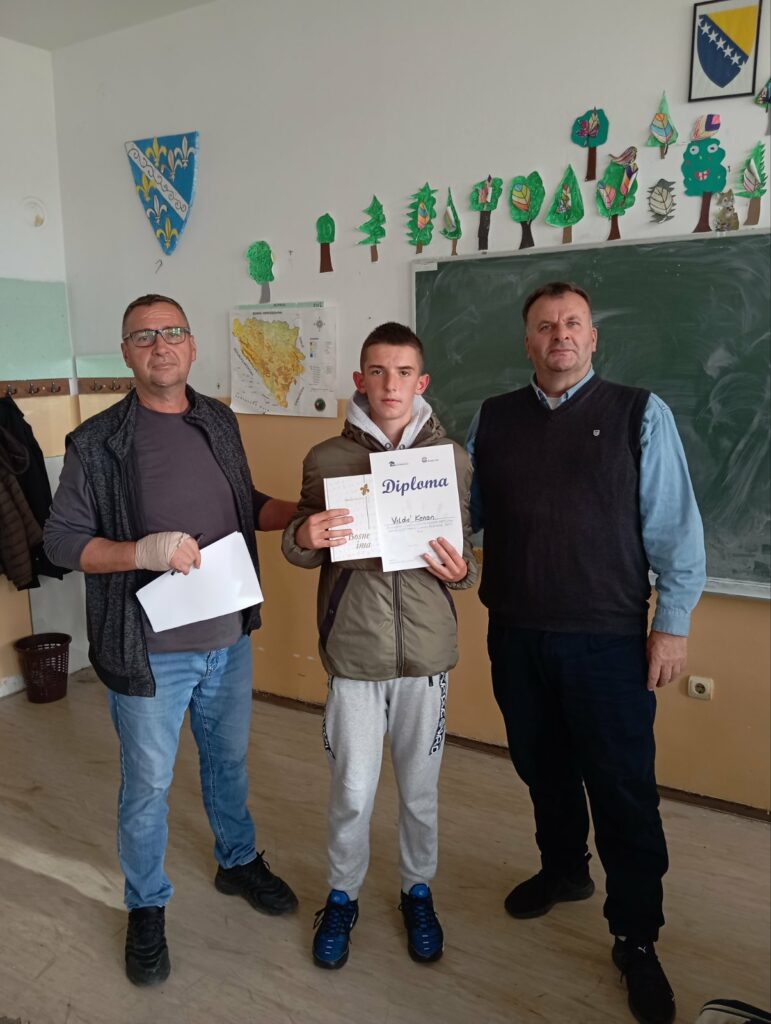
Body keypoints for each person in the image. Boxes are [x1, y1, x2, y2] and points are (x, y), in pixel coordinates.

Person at [467, 282, 706, 1024]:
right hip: (515, 633)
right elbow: (462, 515)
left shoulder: (639, 413)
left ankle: (636, 936)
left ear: (593, 337)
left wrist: (671, 625)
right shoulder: (493, 418)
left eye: (572, 323)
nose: (559, 335)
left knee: (622, 790)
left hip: (607, 641)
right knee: (542, 768)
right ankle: (564, 870)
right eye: (545, 326)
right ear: (528, 340)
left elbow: (675, 529)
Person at [43, 294, 298, 986]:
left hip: (228, 637)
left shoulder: (218, 419)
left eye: (173, 332)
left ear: (192, 346)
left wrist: (304, 513)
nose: (161, 345)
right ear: (126, 353)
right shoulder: (97, 442)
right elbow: (60, 542)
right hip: (149, 653)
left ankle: (236, 861)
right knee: (148, 786)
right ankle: (147, 904)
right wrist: (140, 551)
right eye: (144, 336)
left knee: (227, 763)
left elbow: (245, 504)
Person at [282, 322, 477, 969]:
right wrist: (303, 535)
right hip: (354, 657)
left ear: (421, 382)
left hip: (425, 658)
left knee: (419, 793)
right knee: (352, 792)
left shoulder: (450, 460)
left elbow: (463, 557)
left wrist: (462, 571)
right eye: (377, 371)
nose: (389, 384)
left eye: (403, 372)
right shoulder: (326, 458)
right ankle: (342, 896)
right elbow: (303, 546)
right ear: (359, 379)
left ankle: (417, 890)